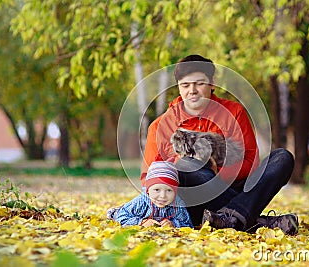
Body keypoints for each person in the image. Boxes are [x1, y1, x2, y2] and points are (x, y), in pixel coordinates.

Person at [141, 54, 298, 235]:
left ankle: (228, 217)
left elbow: (251, 164)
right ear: (178, 87)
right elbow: (148, 178)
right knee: (186, 166)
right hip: (191, 199)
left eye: (199, 83)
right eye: (185, 85)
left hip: (234, 188)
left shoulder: (234, 112)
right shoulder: (160, 126)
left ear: (212, 83)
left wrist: (219, 171)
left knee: (282, 158)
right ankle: (248, 218)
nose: (192, 90)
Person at [110, 161, 193, 228]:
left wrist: (174, 224)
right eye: (157, 190)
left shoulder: (178, 205)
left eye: (169, 190)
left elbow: (187, 224)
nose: (163, 195)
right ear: (148, 190)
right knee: (118, 213)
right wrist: (142, 222)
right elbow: (121, 216)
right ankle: (115, 210)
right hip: (130, 213)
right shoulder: (141, 202)